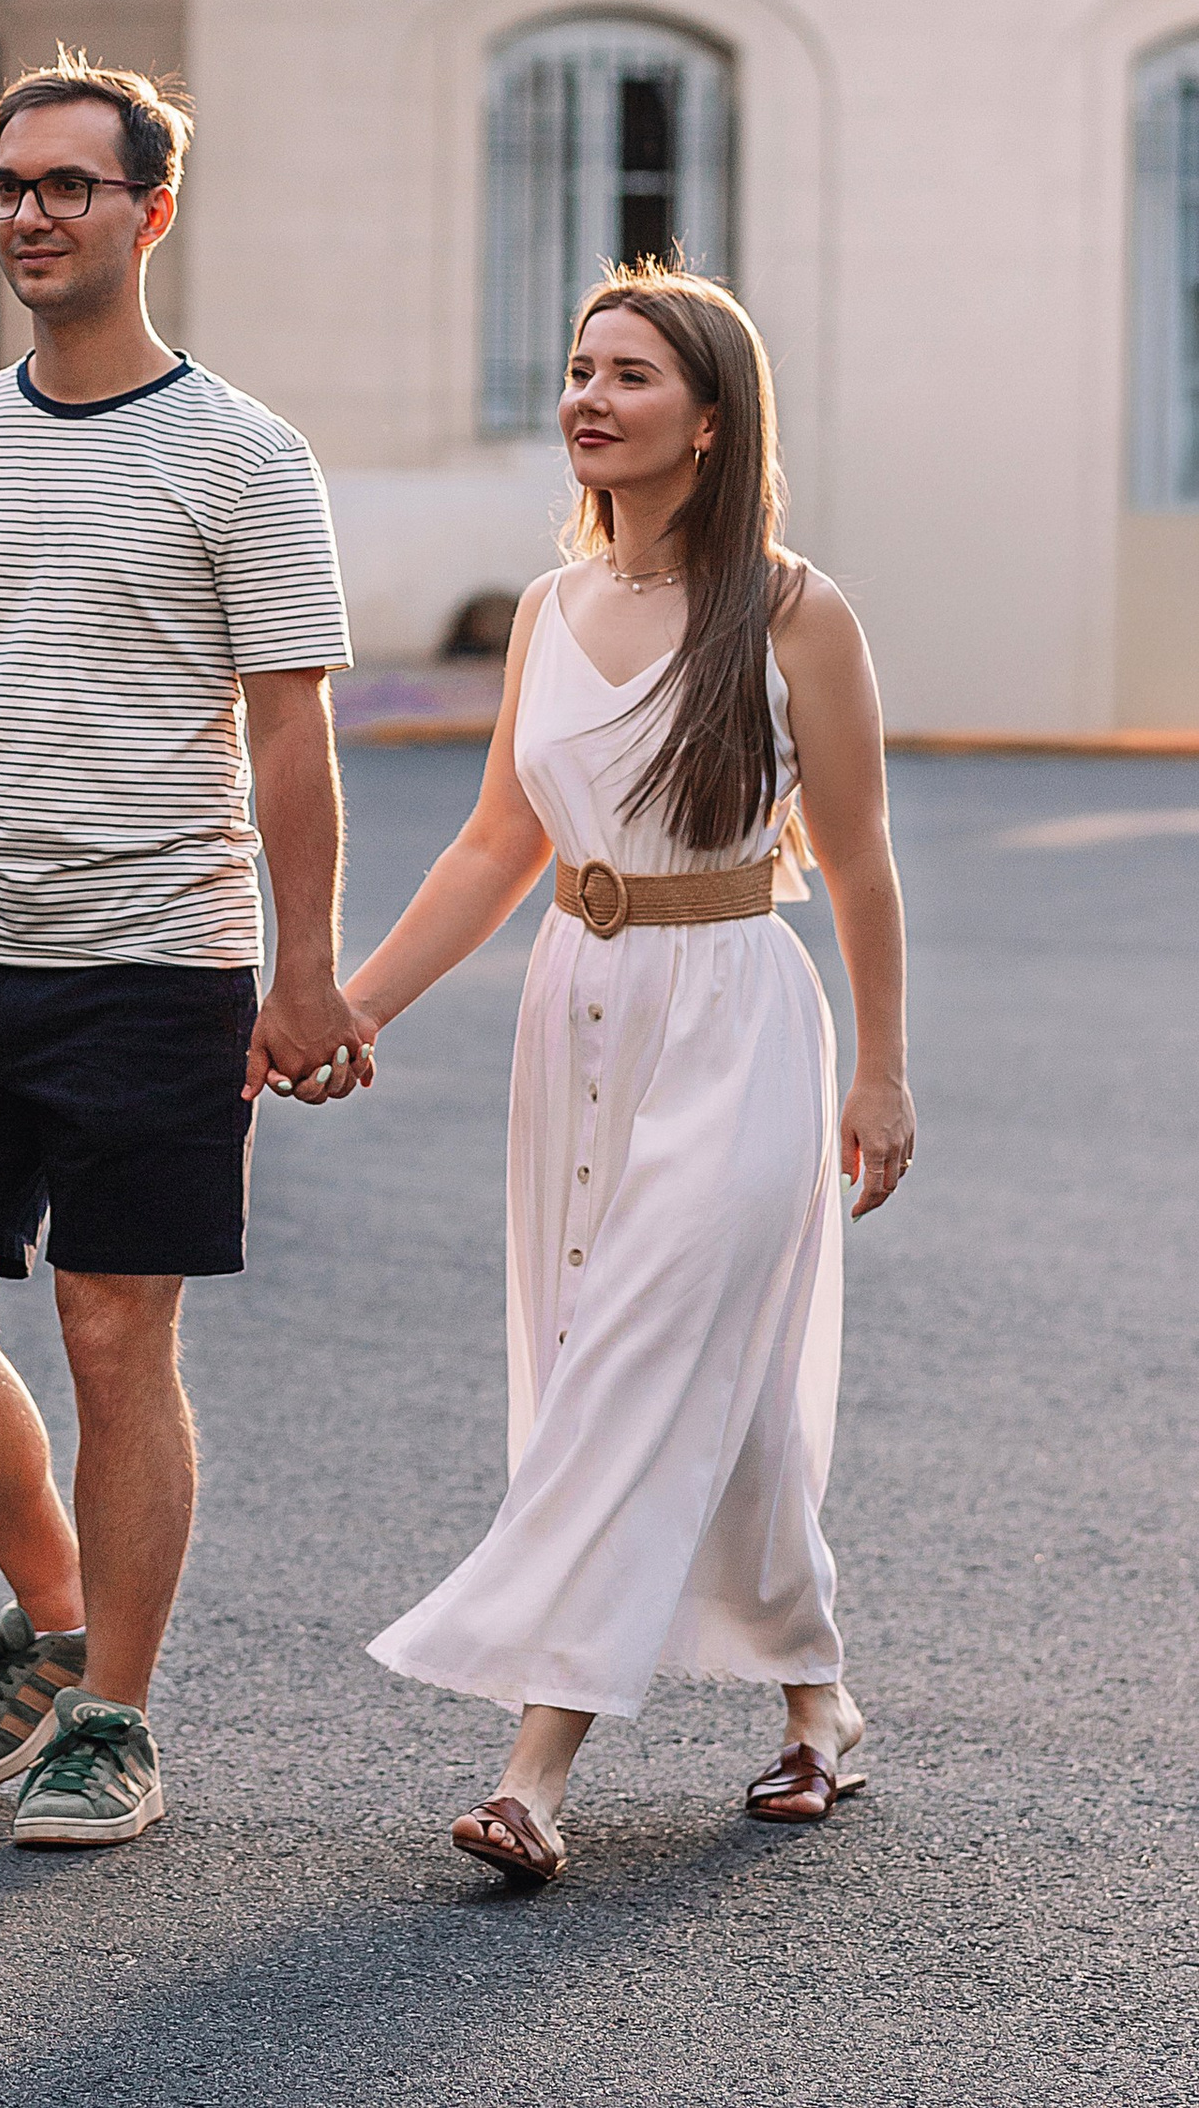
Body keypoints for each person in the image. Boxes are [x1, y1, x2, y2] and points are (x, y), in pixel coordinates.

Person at [0, 48, 362, 1849]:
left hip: (160, 963)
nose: (36, 214)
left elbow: (290, 733)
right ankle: (54, 1609)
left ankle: (114, 1708)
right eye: (11, 187)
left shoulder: (245, 457)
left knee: (119, 1337)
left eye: (72, 184)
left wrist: (306, 968)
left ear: (152, 209)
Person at [345, 262, 915, 1887]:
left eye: (633, 374)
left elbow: (862, 866)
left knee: (642, 1356)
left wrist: (882, 1074)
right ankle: (818, 1702)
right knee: (668, 1367)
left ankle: (535, 1769)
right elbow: (489, 849)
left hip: (739, 1015)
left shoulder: (800, 611)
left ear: (712, 418)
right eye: (581, 368)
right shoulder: (544, 610)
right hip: (576, 1012)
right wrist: (348, 1006)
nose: (590, 396)